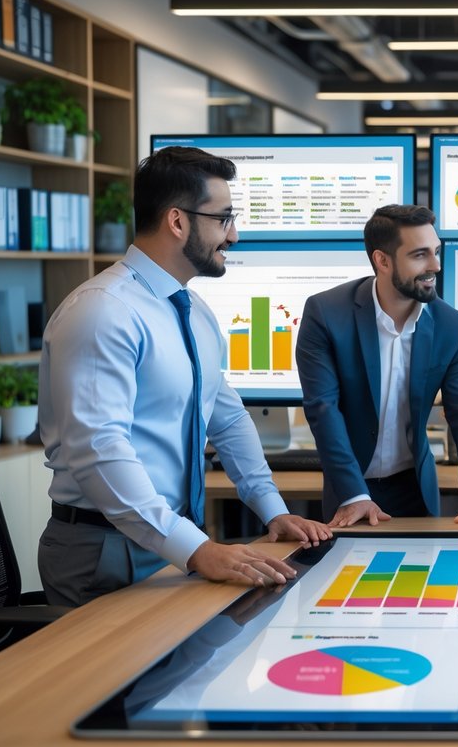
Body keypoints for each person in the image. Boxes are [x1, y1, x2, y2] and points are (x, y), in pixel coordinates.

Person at [38, 146, 332, 608]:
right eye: (223, 219)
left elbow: (228, 419)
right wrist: (195, 549)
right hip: (105, 550)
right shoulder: (101, 312)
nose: (233, 236)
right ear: (178, 222)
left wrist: (273, 510)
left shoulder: (193, 311)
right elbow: (99, 451)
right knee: (125, 682)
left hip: (170, 538)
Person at [296, 204, 458, 529]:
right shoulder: (325, 314)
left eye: (436, 252)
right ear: (382, 260)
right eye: (420, 255)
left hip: (415, 489)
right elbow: (322, 409)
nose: (435, 265)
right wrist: (355, 495)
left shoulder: (453, 327)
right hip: (350, 489)